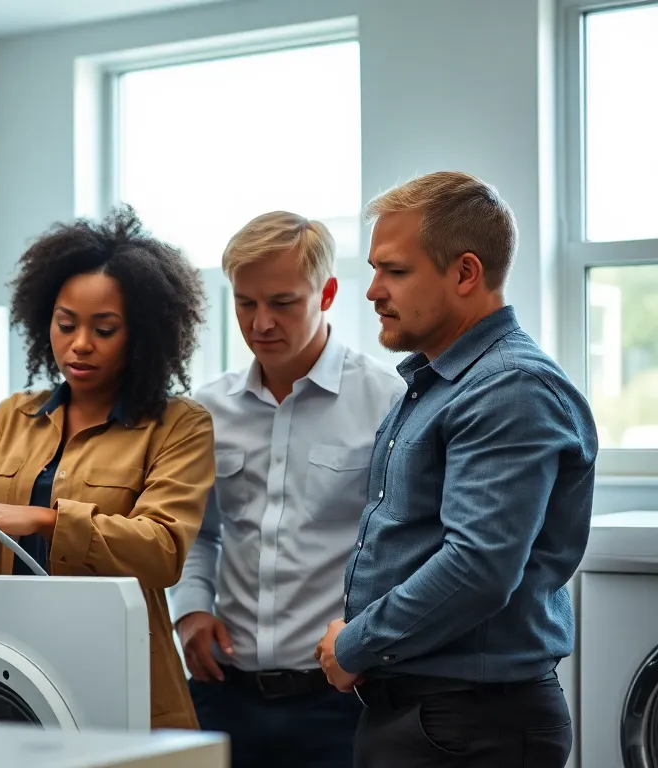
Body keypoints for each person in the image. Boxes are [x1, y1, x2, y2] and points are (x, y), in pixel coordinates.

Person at [0, 205, 215, 730]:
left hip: (122, 670)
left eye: (105, 329)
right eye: (66, 324)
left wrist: (44, 519)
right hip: (11, 669)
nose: (79, 344)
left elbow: (162, 551)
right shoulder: (14, 415)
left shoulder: (178, 424)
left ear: (141, 334)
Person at [313, 171, 597, 767]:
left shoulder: (509, 388)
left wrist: (358, 644)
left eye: (394, 270)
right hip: (427, 713)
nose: (372, 291)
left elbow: (478, 567)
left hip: (469, 722)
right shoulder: (440, 383)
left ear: (465, 273)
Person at [168, 211, 405, 767]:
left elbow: (401, 544)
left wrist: (366, 639)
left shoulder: (386, 400)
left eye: (282, 302)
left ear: (325, 293)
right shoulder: (207, 408)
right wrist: (192, 610)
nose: (261, 323)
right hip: (221, 690)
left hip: (342, 698)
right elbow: (198, 533)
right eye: (245, 303)